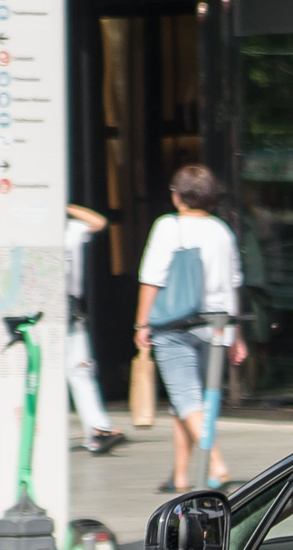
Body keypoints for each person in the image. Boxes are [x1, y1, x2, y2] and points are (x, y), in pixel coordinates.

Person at [133, 164, 245, 492]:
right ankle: (180, 474)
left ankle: (216, 462)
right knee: (188, 402)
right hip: (218, 325)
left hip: (174, 323)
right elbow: (233, 283)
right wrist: (237, 335)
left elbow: (151, 278)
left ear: (178, 195)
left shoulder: (168, 227)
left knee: (185, 397)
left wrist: (142, 323)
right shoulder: (222, 231)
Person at [61, 203, 126, 454]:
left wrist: (64, 205)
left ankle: (98, 430)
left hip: (70, 308)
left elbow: (99, 222)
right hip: (37, 308)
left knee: (81, 369)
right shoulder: (27, 228)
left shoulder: (72, 228)